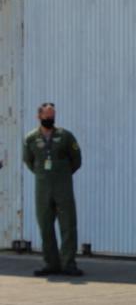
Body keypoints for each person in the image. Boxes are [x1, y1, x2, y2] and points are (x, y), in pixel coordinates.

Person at [22, 103, 83, 276]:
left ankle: (68, 264)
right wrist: (43, 175)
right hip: (43, 187)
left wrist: (62, 173)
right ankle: (51, 264)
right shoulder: (31, 138)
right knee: (45, 225)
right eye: (47, 116)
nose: (50, 118)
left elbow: (76, 160)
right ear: (39, 116)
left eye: (52, 115)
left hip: (63, 186)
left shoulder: (65, 136)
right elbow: (29, 161)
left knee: (68, 225)